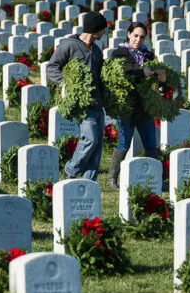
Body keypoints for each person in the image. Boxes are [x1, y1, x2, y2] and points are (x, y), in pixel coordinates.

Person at [46, 11, 108, 181]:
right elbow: (52, 67)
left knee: (97, 147)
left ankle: (89, 182)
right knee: (91, 139)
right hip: (81, 103)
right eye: (103, 29)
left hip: (98, 103)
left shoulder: (96, 50)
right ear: (94, 29)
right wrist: (66, 85)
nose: (104, 32)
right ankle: (71, 169)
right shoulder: (69, 45)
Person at [107, 22, 167, 189]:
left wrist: (161, 81)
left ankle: (157, 180)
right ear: (128, 34)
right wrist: (141, 73)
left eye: (142, 37)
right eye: (135, 36)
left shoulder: (149, 56)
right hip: (126, 107)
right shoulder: (118, 54)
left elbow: (155, 85)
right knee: (124, 142)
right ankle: (112, 179)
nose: (138, 40)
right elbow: (120, 76)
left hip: (144, 108)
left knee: (150, 143)